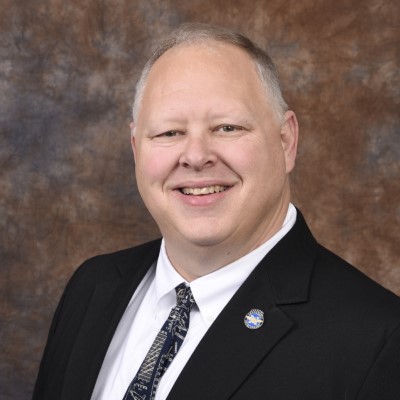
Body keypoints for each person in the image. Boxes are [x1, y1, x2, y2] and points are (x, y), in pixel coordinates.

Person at [32, 23, 400, 400]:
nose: (195, 156)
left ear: (286, 141)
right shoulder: (93, 286)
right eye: (169, 133)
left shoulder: (378, 340)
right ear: (135, 148)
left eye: (227, 127)